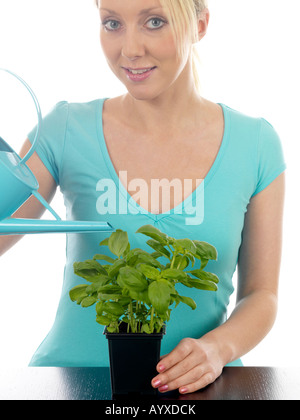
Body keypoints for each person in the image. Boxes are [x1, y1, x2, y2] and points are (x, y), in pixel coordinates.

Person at [0, 0, 286, 395]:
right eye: (112, 23)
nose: (130, 49)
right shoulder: (64, 129)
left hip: (201, 390)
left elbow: (262, 294)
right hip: (71, 383)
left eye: (154, 21)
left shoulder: (255, 144)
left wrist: (218, 348)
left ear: (200, 24)